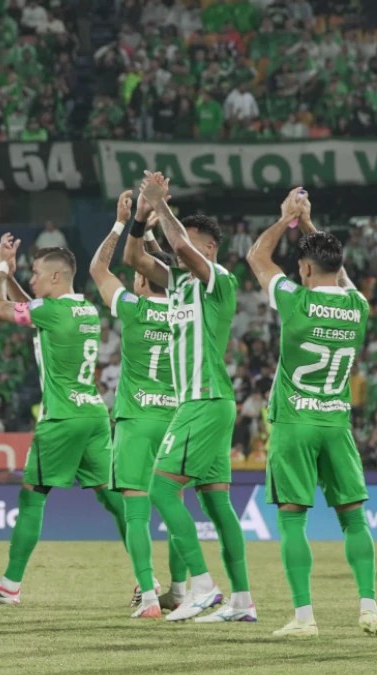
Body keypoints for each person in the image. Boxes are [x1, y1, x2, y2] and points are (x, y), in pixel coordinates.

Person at [245, 188, 377, 639]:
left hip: (294, 422)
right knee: (354, 517)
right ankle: (369, 608)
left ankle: (304, 617)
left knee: (293, 516)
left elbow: (257, 256)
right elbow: (341, 274)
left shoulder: (295, 299)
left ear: (305, 270)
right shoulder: (358, 307)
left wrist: (285, 219)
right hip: (336, 423)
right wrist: (311, 229)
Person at [125, 172, 254, 623]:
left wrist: (161, 205)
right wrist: (141, 216)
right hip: (204, 402)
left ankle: (202, 586)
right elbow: (131, 254)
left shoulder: (218, 280)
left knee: (161, 487)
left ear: (211, 249)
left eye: (193, 242)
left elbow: (180, 246)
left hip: (203, 398)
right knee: (218, 505)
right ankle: (242, 602)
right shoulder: (177, 283)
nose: (179, 244)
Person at [0, 232, 114, 606]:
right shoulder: (86, 310)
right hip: (94, 414)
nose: (30, 279)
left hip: (61, 418)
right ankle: (147, 581)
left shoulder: (50, 312)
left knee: (32, 499)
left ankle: (10, 585)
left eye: (35, 273)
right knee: (111, 496)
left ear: (56, 278)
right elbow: (36, 309)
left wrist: (1, 267)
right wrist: (16, 277)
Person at [88, 190, 186, 619]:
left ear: (143, 281)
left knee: (135, 510)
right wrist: (151, 234)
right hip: (179, 421)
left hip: (136, 420)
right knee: (176, 506)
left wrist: (122, 222)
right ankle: (181, 589)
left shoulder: (131, 308)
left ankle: (148, 595)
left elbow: (96, 269)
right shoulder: (189, 314)